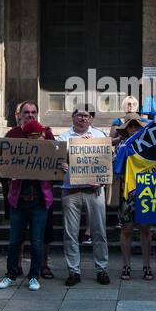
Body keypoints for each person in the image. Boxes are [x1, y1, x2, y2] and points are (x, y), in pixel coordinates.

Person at [3, 101, 57, 279]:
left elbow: (54, 160)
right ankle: (14, 269)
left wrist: (61, 166)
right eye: (26, 112)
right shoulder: (12, 134)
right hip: (18, 195)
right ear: (19, 114)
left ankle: (41, 268)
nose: (30, 115)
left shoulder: (46, 133)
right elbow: (5, 164)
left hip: (41, 196)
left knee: (39, 238)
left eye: (33, 112)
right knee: (15, 239)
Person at [59, 105, 110, 286]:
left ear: (91, 119)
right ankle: (74, 270)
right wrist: (62, 165)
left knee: (99, 232)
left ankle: (101, 269)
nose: (82, 118)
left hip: (94, 191)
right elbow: (56, 162)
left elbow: (107, 163)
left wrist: (103, 180)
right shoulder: (63, 138)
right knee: (70, 233)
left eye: (86, 116)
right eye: (79, 115)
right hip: (71, 190)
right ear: (73, 117)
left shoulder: (100, 136)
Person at [113, 116, 154, 281]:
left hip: (146, 192)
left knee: (146, 229)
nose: (135, 129)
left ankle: (147, 265)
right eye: (132, 127)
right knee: (126, 229)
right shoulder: (122, 147)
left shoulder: (152, 148)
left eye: (137, 127)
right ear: (127, 130)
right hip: (126, 193)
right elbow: (116, 168)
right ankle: (126, 265)